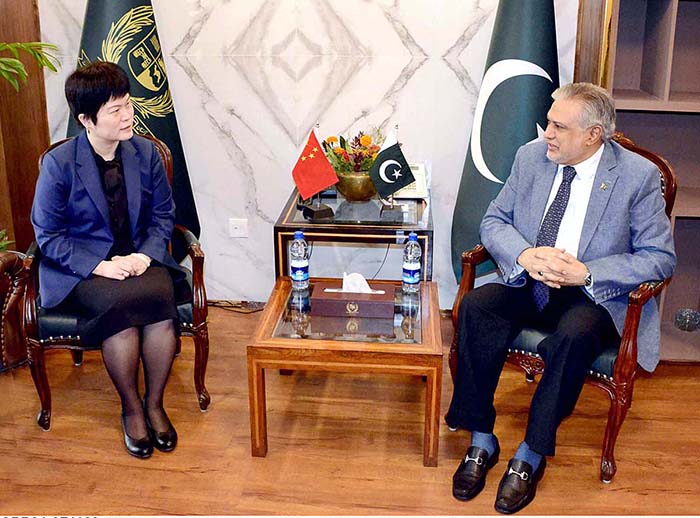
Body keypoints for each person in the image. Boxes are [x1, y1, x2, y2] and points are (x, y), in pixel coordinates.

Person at [446, 82, 675, 514]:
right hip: (527, 279)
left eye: (558, 126)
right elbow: (494, 219)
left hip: (590, 297)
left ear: (593, 135)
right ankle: (482, 439)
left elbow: (659, 258)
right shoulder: (531, 156)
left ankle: (530, 454)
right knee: (477, 307)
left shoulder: (636, 177)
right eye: (549, 122)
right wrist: (525, 254)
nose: (546, 132)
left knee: (574, 335)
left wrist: (587, 272)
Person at [31, 62, 191, 459]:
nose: (127, 115)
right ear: (86, 119)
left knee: (158, 303)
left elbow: (162, 216)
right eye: (115, 109)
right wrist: (99, 266)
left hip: (139, 261)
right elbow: (48, 235)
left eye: (127, 104)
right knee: (120, 308)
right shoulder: (60, 164)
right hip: (84, 271)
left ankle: (154, 404)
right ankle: (132, 409)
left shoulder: (145, 153)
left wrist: (143, 255)